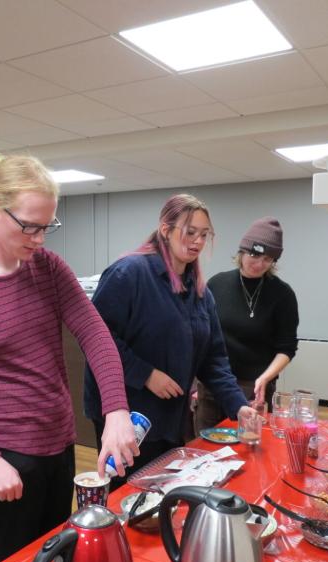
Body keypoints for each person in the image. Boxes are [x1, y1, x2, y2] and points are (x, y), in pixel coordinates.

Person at [0, 150, 138, 562]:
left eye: (47, 227)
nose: (39, 239)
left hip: (59, 447)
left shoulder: (48, 269)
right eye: (30, 226)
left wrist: (116, 410)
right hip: (4, 457)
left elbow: (95, 335)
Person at [83, 194, 257, 489]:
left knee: (160, 492)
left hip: (170, 418)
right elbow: (97, 339)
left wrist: (239, 406)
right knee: (128, 495)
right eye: (190, 232)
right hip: (128, 414)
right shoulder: (129, 273)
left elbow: (213, 359)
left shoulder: (201, 293)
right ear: (166, 229)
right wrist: (146, 374)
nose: (198, 241)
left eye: (204, 234)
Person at [194, 216, 299, 434]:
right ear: (242, 251)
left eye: (268, 259)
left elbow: (287, 348)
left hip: (255, 389)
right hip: (213, 385)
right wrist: (195, 383)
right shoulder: (216, 284)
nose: (259, 264)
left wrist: (265, 377)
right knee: (204, 445)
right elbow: (201, 337)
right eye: (254, 255)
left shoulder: (282, 294)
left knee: (249, 445)